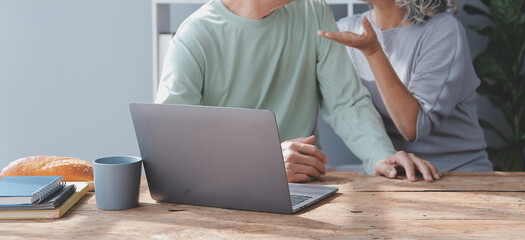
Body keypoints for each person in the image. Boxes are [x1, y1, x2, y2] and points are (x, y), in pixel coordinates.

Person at [156, 0, 441, 182]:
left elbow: (347, 103)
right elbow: (171, 147)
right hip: (226, 191)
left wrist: (381, 154)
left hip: (305, 186)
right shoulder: (194, 37)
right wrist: (263, 163)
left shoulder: (313, 10)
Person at [318, 0, 493, 171]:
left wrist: (373, 52)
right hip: (393, 174)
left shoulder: (444, 29)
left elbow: (414, 127)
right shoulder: (346, 29)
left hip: (455, 174)